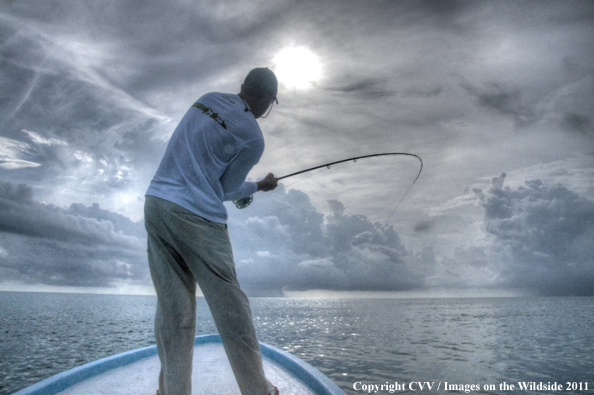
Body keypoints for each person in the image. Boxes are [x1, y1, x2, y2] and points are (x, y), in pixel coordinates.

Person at [144, 67, 280, 395]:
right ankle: (258, 391)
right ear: (267, 101)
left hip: (157, 204)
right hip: (197, 218)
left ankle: (172, 391)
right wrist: (260, 187)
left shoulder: (206, 100)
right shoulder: (252, 135)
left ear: (243, 86)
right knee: (232, 311)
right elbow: (226, 189)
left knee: (173, 309)